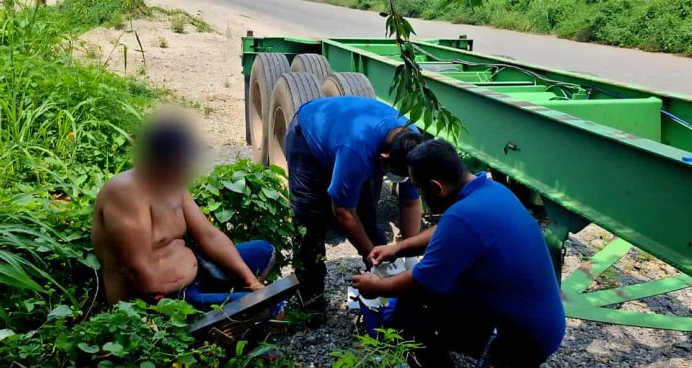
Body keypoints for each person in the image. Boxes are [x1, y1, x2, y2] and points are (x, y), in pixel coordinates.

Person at [351, 139, 566, 367]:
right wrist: (398, 248)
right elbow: (447, 229)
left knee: (413, 309)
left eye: (419, 188)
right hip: (542, 320)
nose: (420, 194)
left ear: (435, 188)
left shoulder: (462, 217)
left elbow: (423, 281)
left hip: (527, 337)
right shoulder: (492, 191)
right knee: (427, 304)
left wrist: (376, 286)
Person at [92, 114, 280, 316]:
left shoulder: (171, 185)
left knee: (264, 252)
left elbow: (209, 236)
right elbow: (137, 272)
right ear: (164, 160)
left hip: (197, 275)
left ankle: (226, 302)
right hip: (168, 300)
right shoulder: (125, 193)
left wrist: (251, 282)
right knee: (271, 306)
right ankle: (228, 328)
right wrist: (178, 296)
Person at [284, 96, 426, 309]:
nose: (403, 180)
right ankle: (310, 300)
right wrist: (374, 256)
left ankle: (385, 287)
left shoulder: (413, 147)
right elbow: (342, 210)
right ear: (384, 157)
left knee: (367, 215)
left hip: (347, 134)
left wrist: (409, 255)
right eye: (397, 174)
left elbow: (410, 203)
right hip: (307, 136)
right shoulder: (357, 152)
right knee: (310, 223)